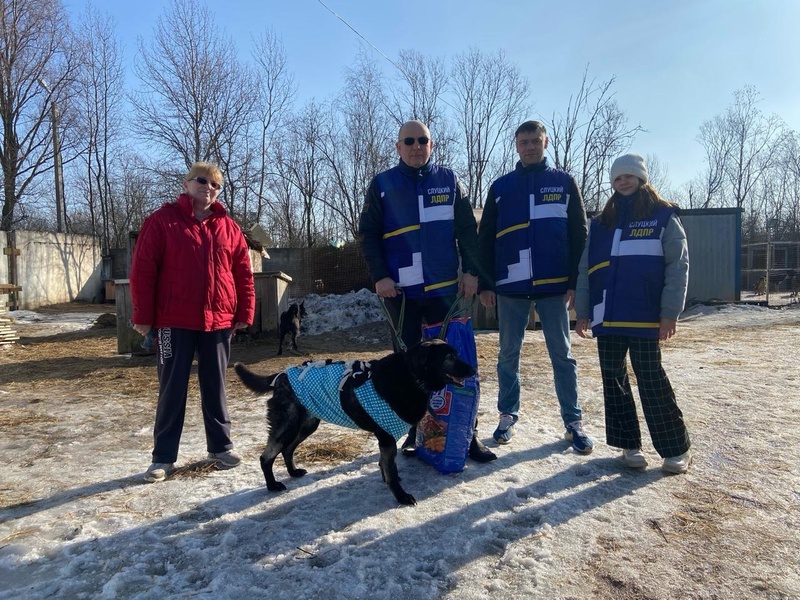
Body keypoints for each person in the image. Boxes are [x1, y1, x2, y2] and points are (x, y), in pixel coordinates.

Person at [359, 119, 496, 462]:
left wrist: (471, 271)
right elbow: (369, 234)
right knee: (408, 368)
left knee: (457, 364)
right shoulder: (382, 184)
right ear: (398, 146)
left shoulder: (449, 181)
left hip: (444, 292)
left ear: (431, 145)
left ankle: (467, 434)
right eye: (409, 140)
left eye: (423, 140)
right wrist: (380, 276)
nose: (417, 146)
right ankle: (414, 433)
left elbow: (467, 230)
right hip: (400, 294)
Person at [130, 161, 256, 483]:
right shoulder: (162, 221)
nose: (208, 188)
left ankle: (221, 446)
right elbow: (143, 270)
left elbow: (243, 273)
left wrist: (245, 313)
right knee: (172, 388)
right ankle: (163, 458)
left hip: (218, 322)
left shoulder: (229, 228)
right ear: (186, 184)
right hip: (173, 321)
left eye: (215, 184)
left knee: (216, 385)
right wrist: (143, 317)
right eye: (201, 181)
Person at [478, 120, 594, 453]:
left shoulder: (564, 182)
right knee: (507, 354)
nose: (529, 147)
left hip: (554, 285)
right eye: (523, 142)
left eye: (535, 141)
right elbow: (484, 238)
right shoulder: (500, 187)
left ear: (546, 142)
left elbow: (579, 235)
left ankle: (573, 422)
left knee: (563, 355)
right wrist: (487, 282)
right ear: (516, 146)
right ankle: (507, 415)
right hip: (510, 286)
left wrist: (574, 281)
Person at [574, 153, 692, 474]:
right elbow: (585, 270)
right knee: (614, 380)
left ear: (641, 178)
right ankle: (629, 445)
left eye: (629, 176)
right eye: (617, 178)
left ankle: (675, 448)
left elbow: (677, 266)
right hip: (607, 316)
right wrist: (583, 311)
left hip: (645, 316)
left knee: (651, 378)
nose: (623, 182)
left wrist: (670, 312)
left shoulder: (663, 216)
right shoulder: (599, 224)